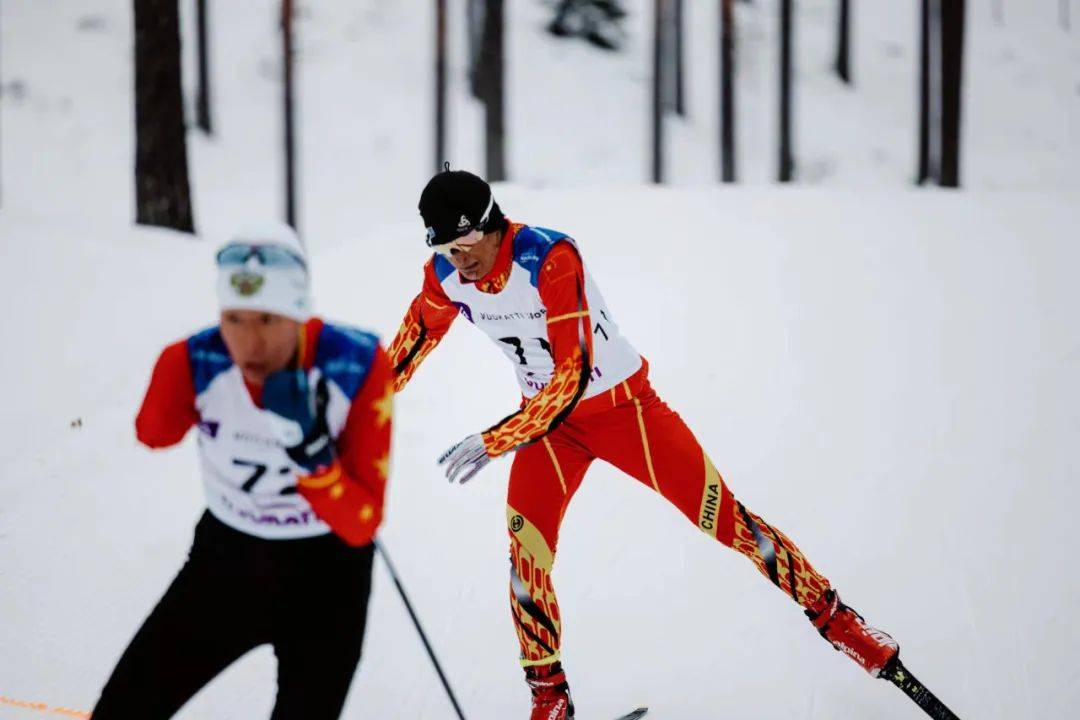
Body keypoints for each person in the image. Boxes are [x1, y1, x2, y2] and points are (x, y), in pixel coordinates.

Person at [387, 170, 900, 720]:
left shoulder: (550, 258)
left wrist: (497, 439)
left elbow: (573, 375)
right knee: (525, 561)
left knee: (726, 521)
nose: (459, 261)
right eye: (445, 248)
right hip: (549, 431)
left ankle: (841, 622)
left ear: (492, 228)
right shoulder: (445, 276)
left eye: (466, 246)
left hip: (624, 412)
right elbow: (405, 352)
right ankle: (550, 698)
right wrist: (348, 410)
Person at [92, 223, 393, 720]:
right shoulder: (198, 359)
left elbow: (361, 522)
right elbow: (152, 435)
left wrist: (311, 451)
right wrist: (174, 376)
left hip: (327, 576)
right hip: (227, 562)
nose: (249, 343)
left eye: (267, 320)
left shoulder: (354, 363)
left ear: (298, 313)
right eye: (233, 318)